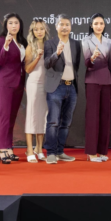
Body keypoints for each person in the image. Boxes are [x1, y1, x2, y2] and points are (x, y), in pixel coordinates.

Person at [44, 14, 81, 165]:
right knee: (53, 121)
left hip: (71, 87)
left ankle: (60, 151)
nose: (64, 27)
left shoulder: (76, 44)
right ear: (56, 26)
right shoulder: (49, 43)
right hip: (56, 87)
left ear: (70, 27)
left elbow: (76, 65)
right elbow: (47, 63)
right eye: (61, 24)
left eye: (67, 24)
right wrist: (57, 53)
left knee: (65, 122)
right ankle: (51, 153)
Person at [82, 13, 111, 162]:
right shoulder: (86, 40)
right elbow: (87, 63)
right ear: (91, 25)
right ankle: (91, 153)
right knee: (92, 117)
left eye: (101, 23)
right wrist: (93, 58)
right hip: (92, 80)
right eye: (96, 23)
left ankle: (102, 151)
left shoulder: (109, 42)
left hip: (107, 81)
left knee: (105, 116)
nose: (99, 26)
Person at [0, 13, 28, 164]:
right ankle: (2, 149)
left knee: (12, 118)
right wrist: (6, 46)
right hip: (5, 82)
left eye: (16, 23)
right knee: (4, 117)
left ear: (20, 25)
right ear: (6, 25)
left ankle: (9, 148)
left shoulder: (22, 41)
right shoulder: (1, 40)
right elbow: (0, 61)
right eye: (10, 23)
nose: (14, 26)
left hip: (19, 83)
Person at [24, 19, 50, 163]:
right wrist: (38, 57)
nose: (39, 31)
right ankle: (29, 150)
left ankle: (39, 149)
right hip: (34, 84)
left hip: (47, 85)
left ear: (45, 30)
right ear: (32, 32)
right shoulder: (30, 46)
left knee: (43, 116)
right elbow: (27, 69)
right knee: (32, 115)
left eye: (41, 29)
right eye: (36, 29)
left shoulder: (50, 45)